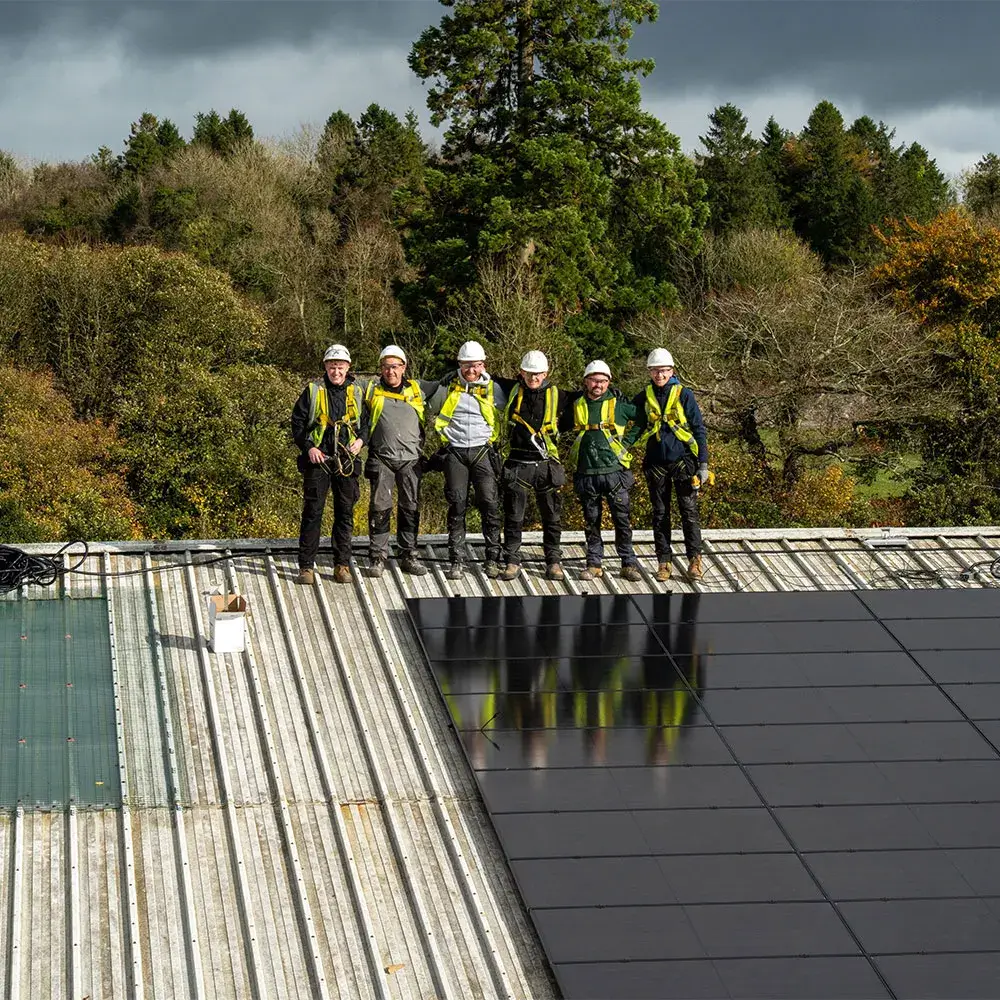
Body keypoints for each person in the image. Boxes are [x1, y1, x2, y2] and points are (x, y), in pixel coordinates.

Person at [426, 340, 508, 580]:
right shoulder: (447, 387)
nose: (471, 371)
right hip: (456, 453)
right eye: (466, 366)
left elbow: (515, 406)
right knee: (457, 505)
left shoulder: (495, 389)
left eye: (475, 365)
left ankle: (492, 559)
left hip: (483, 451)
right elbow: (425, 407)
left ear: (483, 365)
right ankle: (456, 560)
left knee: (490, 505)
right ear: (459, 365)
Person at [628, 348, 710, 581]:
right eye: (655, 371)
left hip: (683, 461)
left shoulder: (684, 394)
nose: (659, 375)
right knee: (660, 514)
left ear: (671, 371)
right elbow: (631, 418)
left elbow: (698, 428)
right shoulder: (645, 395)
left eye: (663, 371)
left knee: (689, 512)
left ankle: (694, 561)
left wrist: (703, 463)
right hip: (655, 462)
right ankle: (664, 562)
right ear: (649, 372)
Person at [358, 344, 439, 577]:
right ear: (381, 369)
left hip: (411, 461)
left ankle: (408, 555)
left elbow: (446, 382)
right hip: (382, 459)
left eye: (395, 367)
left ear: (404, 367)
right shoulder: (371, 391)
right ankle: (377, 556)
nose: (390, 371)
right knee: (379, 509)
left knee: (410, 508)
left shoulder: (418, 389)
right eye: (385, 367)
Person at [559, 359, 642, 582]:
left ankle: (628, 563)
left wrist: (628, 442)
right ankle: (594, 563)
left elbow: (643, 419)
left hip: (615, 472)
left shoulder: (619, 405)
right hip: (587, 473)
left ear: (609, 382)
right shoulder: (575, 406)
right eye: (594, 380)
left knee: (622, 520)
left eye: (603, 381)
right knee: (591, 520)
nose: (599, 385)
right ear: (586, 382)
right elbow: (557, 426)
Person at [291, 344, 366, 585]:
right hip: (319, 460)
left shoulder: (357, 392)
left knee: (345, 514)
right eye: (332, 367)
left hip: (346, 460)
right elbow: (297, 423)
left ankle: (342, 565)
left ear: (348, 368)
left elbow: (367, 423)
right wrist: (309, 448)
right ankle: (306, 567)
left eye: (340, 367)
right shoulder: (313, 391)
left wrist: (361, 441)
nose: (336, 371)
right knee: (313, 513)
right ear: (325, 367)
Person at [498, 350, 567, 582]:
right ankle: (512, 560)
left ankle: (554, 561)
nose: (533, 378)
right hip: (518, 464)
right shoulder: (512, 390)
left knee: (552, 517)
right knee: (514, 516)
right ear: (521, 373)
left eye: (537, 374)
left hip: (546, 464)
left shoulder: (558, 395)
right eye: (529, 374)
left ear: (546, 373)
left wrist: (612, 394)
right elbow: (484, 376)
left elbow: (588, 395)